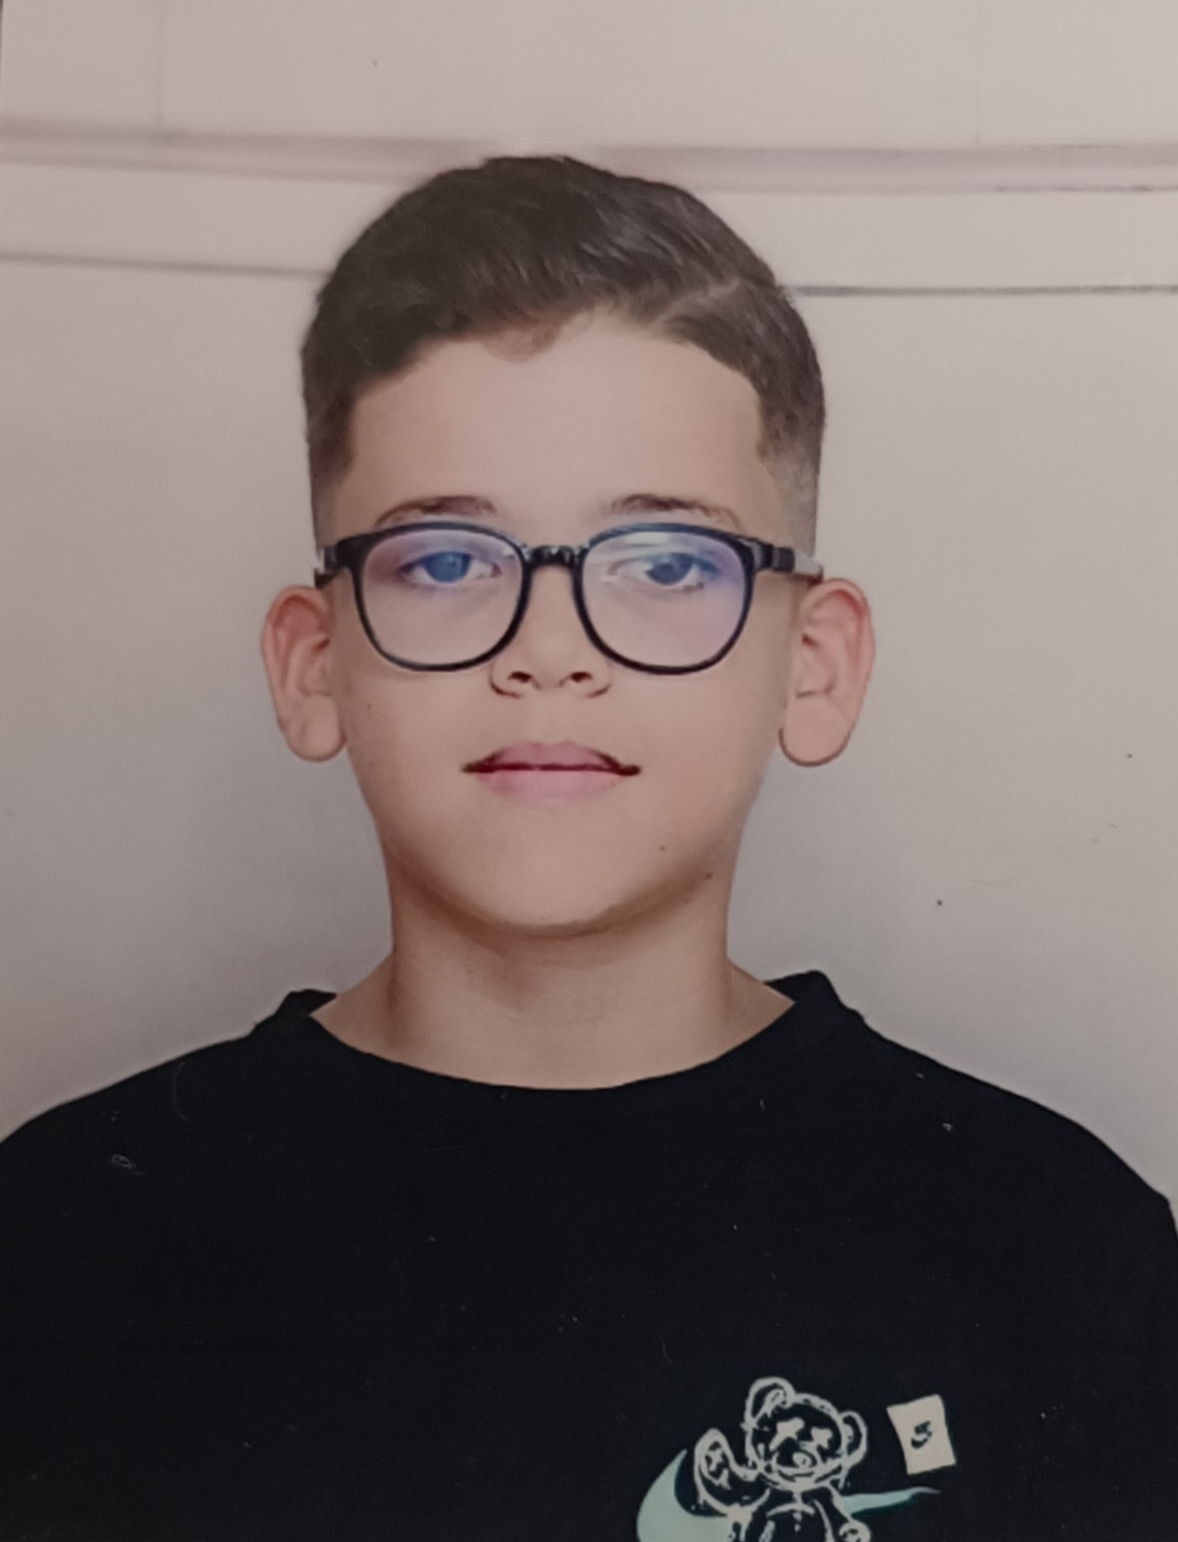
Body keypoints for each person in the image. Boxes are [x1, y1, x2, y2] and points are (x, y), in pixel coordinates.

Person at [1, 155, 1175, 1542]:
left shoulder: (1056, 1249)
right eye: (445, 560)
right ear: (314, 667)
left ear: (813, 665)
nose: (549, 651)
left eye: (667, 563)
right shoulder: (60, 1240)